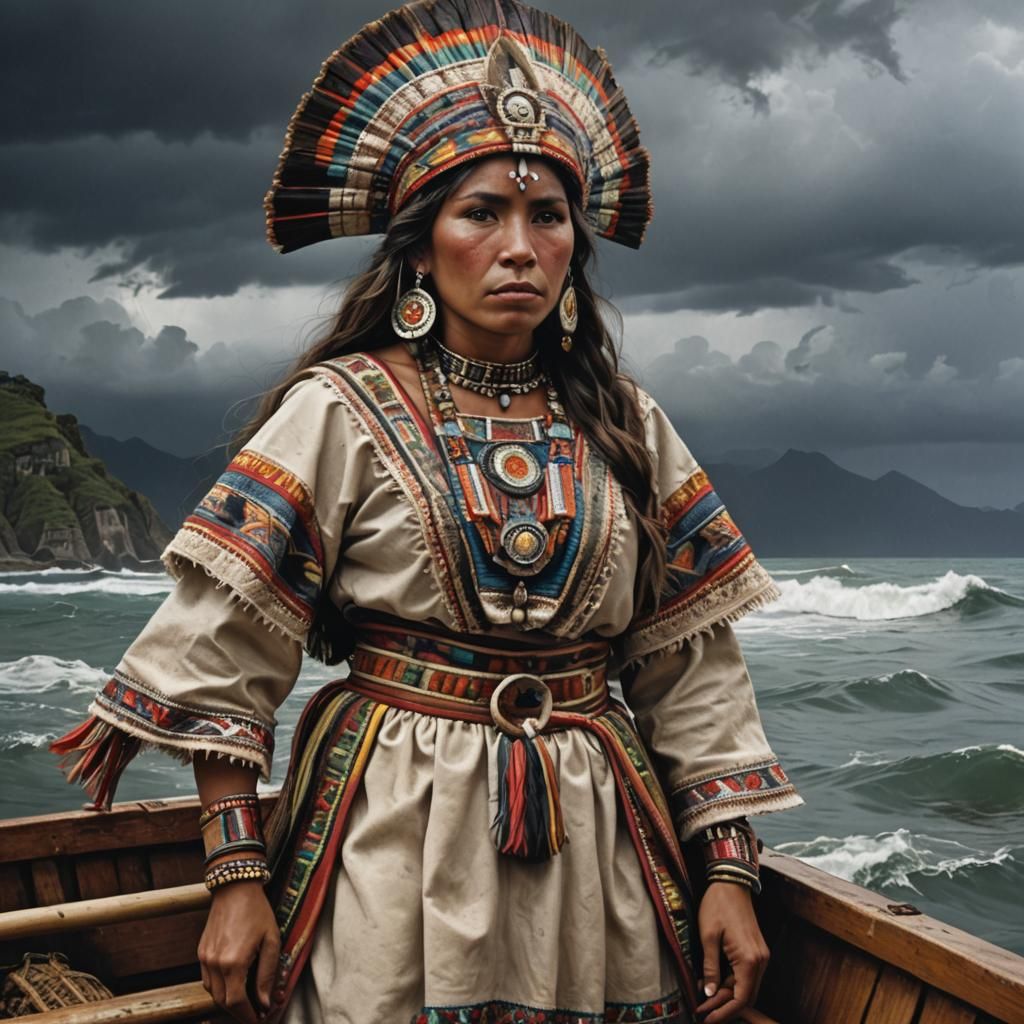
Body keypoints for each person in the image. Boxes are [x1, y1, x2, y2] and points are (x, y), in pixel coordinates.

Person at [50, 2, 804, 1022]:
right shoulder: (338, 410)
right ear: (419, 247)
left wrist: (729, 872)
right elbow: (225, 659)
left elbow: (691, 670)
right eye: (481, 213)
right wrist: (234, 879)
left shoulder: (629, 423)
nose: (519, 247)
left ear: (574, 248)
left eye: (547, 218)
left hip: (599, 846)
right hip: (391, 825)